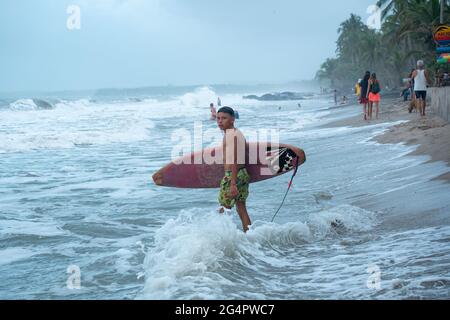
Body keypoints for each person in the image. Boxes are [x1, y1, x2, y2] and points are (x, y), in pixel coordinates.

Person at [216, 107, 252, 232]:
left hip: (233, 176)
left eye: (224, 118)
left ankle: (219, 239)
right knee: (241, 209)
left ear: (232, 119)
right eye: (218, 118)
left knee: (223, 210)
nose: (220, 121)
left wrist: (232, 183)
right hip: (242, 174)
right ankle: (251, 237)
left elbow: (235, 159)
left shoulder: (232, 135)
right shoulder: (235, 133)